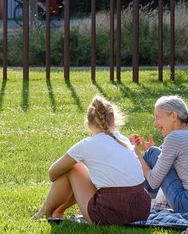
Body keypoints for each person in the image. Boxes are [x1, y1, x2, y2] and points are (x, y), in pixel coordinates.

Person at [32, 96, 151, 225]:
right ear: (114, 120)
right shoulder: (123, 140)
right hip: (141, 209)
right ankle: (56, 211)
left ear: (88, 124)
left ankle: (47, 211)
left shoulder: (86, 145)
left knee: (73, 167)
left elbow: (53, 173)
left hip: (109, 213)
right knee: (94, 171)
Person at [129, 95, 188, 216]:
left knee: (151, 154)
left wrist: (137, 153)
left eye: (157, 118)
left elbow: (154, 181)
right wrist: (152, 151)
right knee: (153, 152)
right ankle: (139, 200)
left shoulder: (174, 137)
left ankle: (131, 202)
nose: (155, 124)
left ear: (174, 116)